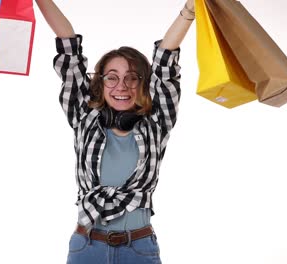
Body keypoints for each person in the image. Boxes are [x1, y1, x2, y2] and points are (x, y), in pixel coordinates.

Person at [35, 0, 195, 263]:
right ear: (100, 82)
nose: (122, 86)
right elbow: (68, 47)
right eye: (112, 77)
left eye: (132, 77)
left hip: (139, 249)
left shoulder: (157, 121)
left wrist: (189, 11)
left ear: (143, 83)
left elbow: (165, 61)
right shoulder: (84, 116)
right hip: (86, 247)